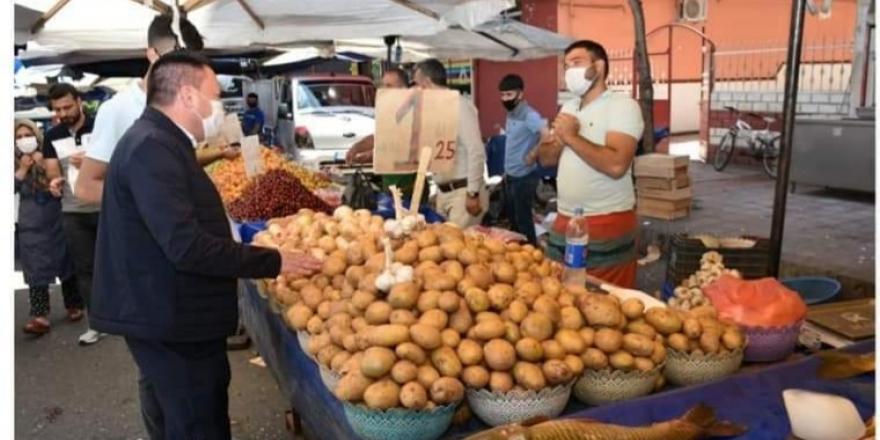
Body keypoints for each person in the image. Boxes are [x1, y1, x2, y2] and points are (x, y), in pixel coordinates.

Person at [90, 52, 322, 439]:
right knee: (197, 422)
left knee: (178, 416)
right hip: (170, 319)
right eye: (214, 96)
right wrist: (275, 260)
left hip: (169, 314)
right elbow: (186, 246)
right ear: (187, 96)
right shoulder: (151, 147)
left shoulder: (159, 141)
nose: (219, 107)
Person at [530, 40, 644, 288]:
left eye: (577, 63)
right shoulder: (569, 107)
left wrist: (571, 136)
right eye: (566, 65)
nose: (569, 71)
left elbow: (617, 165)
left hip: (606, 219)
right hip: (565, 217)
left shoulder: (623, 106)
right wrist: (554, 140)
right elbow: (548, 160)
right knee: (561, 292)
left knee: (605, 299)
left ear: (599, 67)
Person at [75, 14, 207, 205]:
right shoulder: (118, 109)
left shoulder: (184, 106)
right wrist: (151, 201)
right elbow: (86, 187)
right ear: (152, 54)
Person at [41, 83, 103, 344]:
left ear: (79, 101)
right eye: (57, 110)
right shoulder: (52, 135)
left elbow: (122, 160)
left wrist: (92, 161)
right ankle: (96, 323)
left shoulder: (101, 126)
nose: (63, 113)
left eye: (67, 107)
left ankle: (129, 315)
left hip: (106, 205)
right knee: (85, 269)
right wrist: (53, 182)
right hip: (73, 211)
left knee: (119, 262)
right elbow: (52, 170)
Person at [15, 119, 84, 335]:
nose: (24, 140)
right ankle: (40, 315)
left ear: (37, 135)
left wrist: (43, 164)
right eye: (18, 137)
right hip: (30, 223)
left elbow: (60, 180)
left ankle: (74, 304)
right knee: (35, 268)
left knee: (65, 260)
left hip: (55, 216)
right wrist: (23, 169)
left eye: (28, 135)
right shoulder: (12, 160)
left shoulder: (48, 153)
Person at [412, 59, 487, 227]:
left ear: (427, 83)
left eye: (417, 85)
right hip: (444, 192)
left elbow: (476, 150)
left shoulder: (459, 106)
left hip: (463, 193)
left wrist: (473, 193)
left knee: (457, 247)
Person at [345, 67, 426, 200]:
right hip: (390, 185)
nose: (383, 89)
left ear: (403, 89)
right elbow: (383, 138)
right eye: (383, 85)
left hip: (409, 188)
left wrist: (365, 151)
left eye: (389, 85)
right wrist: (360, 150)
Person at [498, 74, 545, 245]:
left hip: (524, 178)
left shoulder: (529, 115)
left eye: (509, 95)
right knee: (513, 222)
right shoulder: (511, 113)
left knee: (523, 222)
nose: (505, 99)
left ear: (520, 94)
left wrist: (533, 154)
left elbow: (547, 135)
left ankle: (531, 255)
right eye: (502, 95)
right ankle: (517, 256)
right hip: (510, 176)